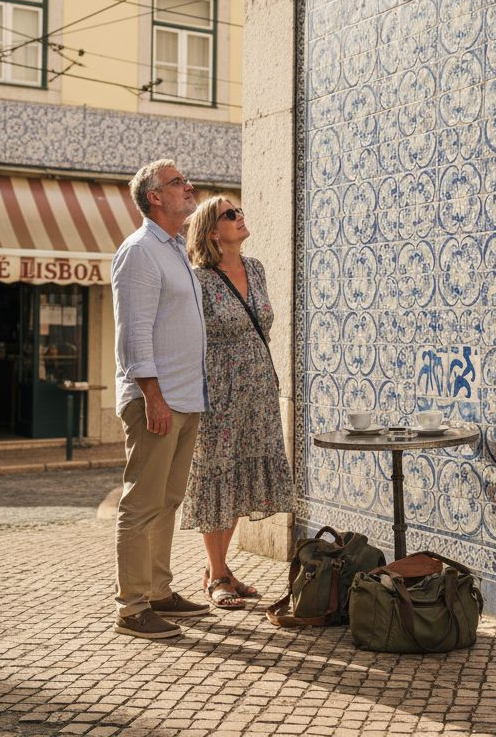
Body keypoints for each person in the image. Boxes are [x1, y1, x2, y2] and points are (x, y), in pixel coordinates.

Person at [111, 159, 212, 639]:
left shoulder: (176, 250)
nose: (188, 187)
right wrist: (152, 395)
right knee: (142, 503)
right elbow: (133, 334)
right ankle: (132, 607)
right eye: (177, 183)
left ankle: (158, 590)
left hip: (185, 398)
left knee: (168, 500)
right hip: (157, 399)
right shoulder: (140, 251)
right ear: (154, 197)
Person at [183, 196, 295, 609]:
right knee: (218, 475)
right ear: (212, 230)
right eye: (230, 214)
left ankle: (222, 569)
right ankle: (216, 574)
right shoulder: (199, 279)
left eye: (240, 210)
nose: (240, 216)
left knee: (240, 476)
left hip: (259, 388)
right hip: (219, 391)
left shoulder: (256, 269)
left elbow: (261, 324)